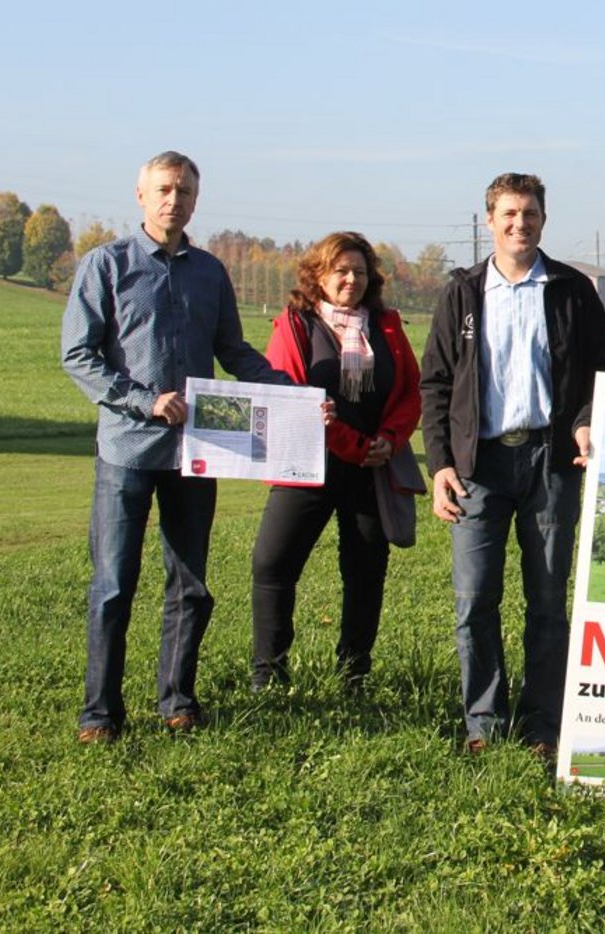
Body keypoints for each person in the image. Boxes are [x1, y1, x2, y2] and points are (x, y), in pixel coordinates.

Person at [61, 151, 292, 743]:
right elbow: (79, 356)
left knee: (190, 584)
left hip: (195, 451)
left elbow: (233, 352)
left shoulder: (210, 272)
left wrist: (293, 395)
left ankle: (177, 699)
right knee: (114, 584)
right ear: (141, 195)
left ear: (195, 199)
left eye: (185, 191)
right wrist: (143, 400)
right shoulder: (105, 266)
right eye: (164, 189)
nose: (175, 200)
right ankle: (100, 714)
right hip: (126, 452)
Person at [420, 172, 605, 756]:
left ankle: (541, 726)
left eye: (529, 213)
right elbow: (434, 384)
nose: (519, 223)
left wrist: (584, 420)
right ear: (489, 222)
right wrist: (439, 465)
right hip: (477, 466)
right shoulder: (462, 292)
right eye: (508, 214)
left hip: (550, 463)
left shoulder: (572, 290)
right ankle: (483, 723)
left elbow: (602, 373)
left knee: (548, 602)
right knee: (474, 600)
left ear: (543, 220)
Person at [250, 232, 421, 692]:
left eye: (360, 272)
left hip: (372, 470)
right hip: (306, 465)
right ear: (318, 275)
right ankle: (269, 674)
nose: (351, 279)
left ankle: (353, 674)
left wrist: (390, 438)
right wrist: (352, 444)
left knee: (366, 571)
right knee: (273, 564)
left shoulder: (386, 324)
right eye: (340, 270)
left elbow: (409, 391)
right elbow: (290, 393)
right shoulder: (295, 324)